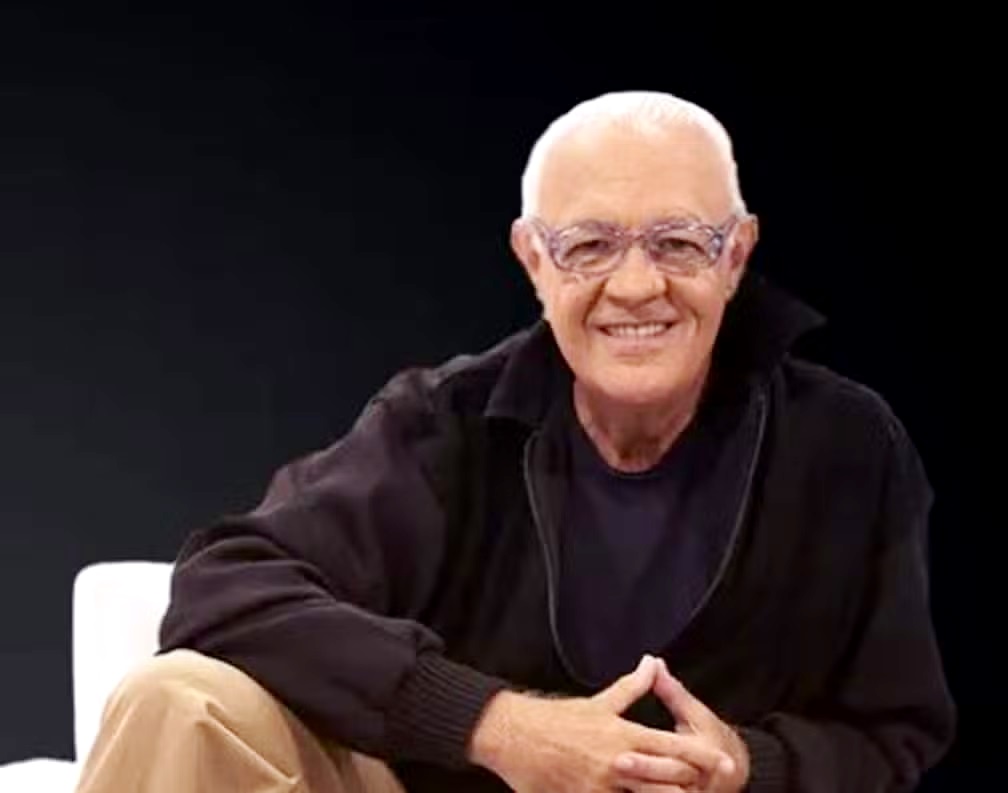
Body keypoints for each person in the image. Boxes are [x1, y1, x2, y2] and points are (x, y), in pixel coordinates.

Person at [75, 91, 956, 793]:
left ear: (736, 256)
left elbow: (892, 728)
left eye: (679, 242)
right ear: (534, 259)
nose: (636, 285)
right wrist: (497, 725)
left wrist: (746, 766)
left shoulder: (847, 444)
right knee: (180, 696)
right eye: (589, 246)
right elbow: (223, 583)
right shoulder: (445, 423)